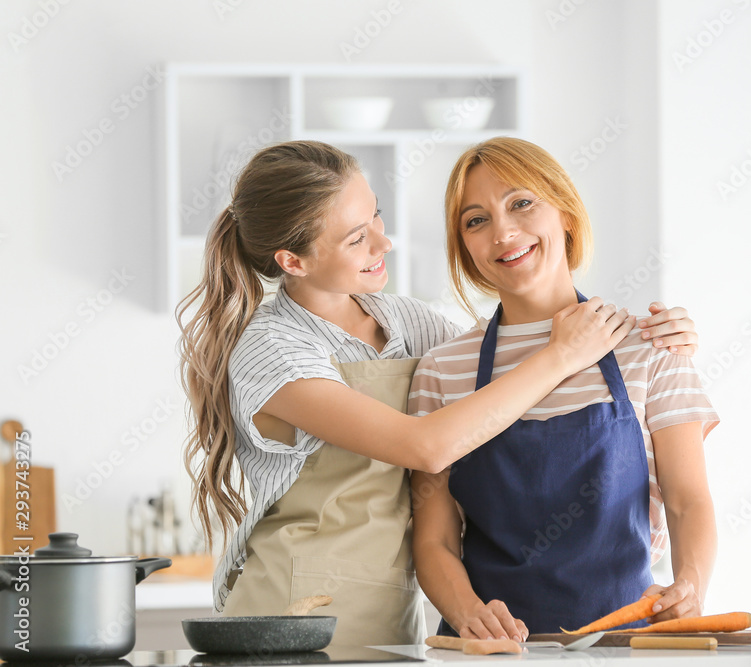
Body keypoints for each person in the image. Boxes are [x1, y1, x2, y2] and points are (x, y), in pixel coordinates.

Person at [176, 140, 699, 647]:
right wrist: (562, 354)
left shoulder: (407, 323)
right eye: (357, 238)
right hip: (288, 616)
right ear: (293, 261)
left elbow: (497, 379)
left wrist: (661, 336)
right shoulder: (273, 349)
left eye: (375, 218)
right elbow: (427, 445)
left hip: (389, 612)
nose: (384, 243)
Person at [408, 137, 720, 641]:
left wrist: (691, 585)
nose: (503, 232)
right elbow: (435, 538)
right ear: (464, 246)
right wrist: (469, 612)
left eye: (522, 203)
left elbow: (689, 502)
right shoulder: (443, 370)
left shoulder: (649, 347)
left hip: (627, 644)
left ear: (566, 216)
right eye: (476, 220)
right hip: (492, 651)